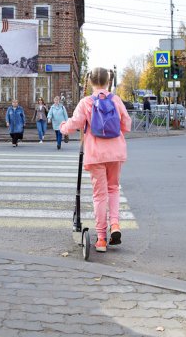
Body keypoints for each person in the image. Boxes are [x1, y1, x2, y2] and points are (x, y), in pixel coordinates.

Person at [60, 67, 132, 253]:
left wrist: (62, 128)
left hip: (96, 155)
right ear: (108, 81)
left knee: (100, 195)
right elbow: (127, 124)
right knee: (114, 189)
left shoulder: (86, 102)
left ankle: (101, 239)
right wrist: (115, 137)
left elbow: (74, 124)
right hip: (116, 153)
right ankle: (115, 224)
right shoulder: (116, 100)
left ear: (90, 82)